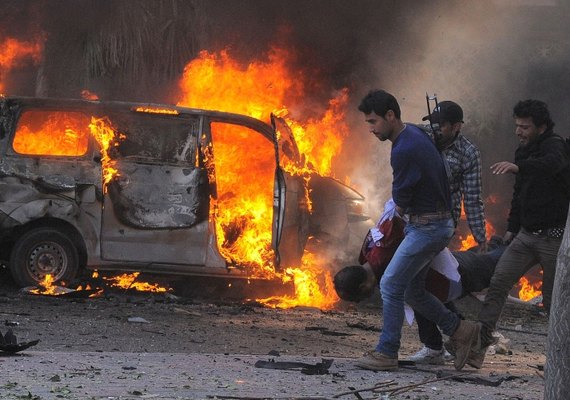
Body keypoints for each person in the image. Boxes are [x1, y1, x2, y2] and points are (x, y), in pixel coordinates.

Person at [355, 90, 480, 372]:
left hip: (428, 228)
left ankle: (387, 352)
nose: (372, 129)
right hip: (432, 225)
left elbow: (401, 200)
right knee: (413, 290)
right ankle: (461, 331)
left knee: (389, 284)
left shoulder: (405, 148)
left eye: (373, 122)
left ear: (390, 115)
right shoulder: (412, 134)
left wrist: (385, 225)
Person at [464, 99, 570, 368]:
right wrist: (511, 228)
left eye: (525, 127)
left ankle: (561, 361)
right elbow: (520, 194)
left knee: (553, 301)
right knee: (498, 283)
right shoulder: (522, 152)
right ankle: (478, 349)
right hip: (526, 236)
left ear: (541, 127)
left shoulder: (555, 145)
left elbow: (552, 165)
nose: (519, 131)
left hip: (554, 238)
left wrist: (519, 167)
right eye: (517, 126)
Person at [408, 100, 488, 364]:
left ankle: (443, 341)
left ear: (456, 127)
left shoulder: (468, 153)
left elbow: (473, 197)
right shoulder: (422, 136)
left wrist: (479, 235)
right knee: (423, 283)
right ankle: (458, 337)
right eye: (433, 123)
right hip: (413, 220)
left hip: (440, 225)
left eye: (441, 125)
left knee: (417, 283)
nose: (435, 130)